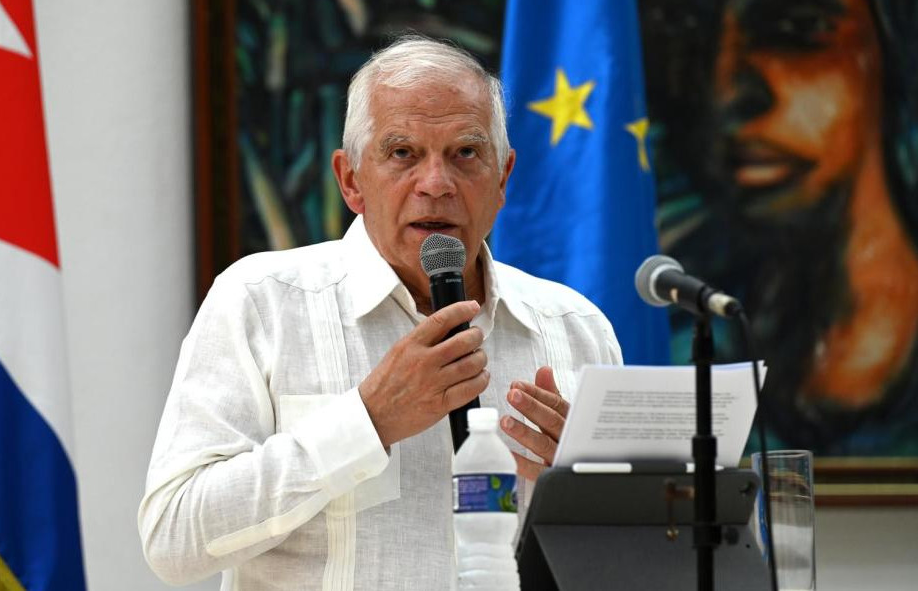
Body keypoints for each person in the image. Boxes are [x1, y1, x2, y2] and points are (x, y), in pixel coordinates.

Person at [138, 36, 621, 589]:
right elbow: (174, 538)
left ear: (503, 178)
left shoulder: (577, 329)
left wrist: (588, 495)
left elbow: (629, 560)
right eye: (402, 153)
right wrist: (367, 421)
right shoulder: (262, 301)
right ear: (350, 180)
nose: (436, 184)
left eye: (465, 153)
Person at [710, 0, 918, 452]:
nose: (728, 91)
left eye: (795, 32)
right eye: (697, 53)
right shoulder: (686, 341)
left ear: (892, 57)